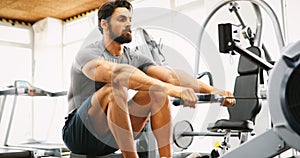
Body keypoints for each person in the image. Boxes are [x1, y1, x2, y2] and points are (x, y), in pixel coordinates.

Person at [62, 0, 236, 158]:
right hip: (80, 135)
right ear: (104, 24)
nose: (129, 24)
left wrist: (214, 91)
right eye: (122, 19)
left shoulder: (134, 57)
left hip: (111, 138)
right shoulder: (88, 53)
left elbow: (169, 75)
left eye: (130, 19)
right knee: (115, 88)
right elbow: (118, 73)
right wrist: (173, 90)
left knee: (156, 93)